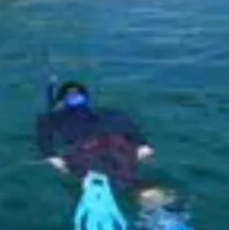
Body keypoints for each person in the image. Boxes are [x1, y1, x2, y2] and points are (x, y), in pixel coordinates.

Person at [35, 80, 176, 214]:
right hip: (118, 144)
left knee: (94, 178)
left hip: (85, 149)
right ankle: (158, 207)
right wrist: (142, 145)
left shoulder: (49, 118)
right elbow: (133, 132)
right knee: (131, 179)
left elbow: (45, 141)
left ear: (62, 100)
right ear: (87, 98)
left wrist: (52, 158)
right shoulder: (111, 113)